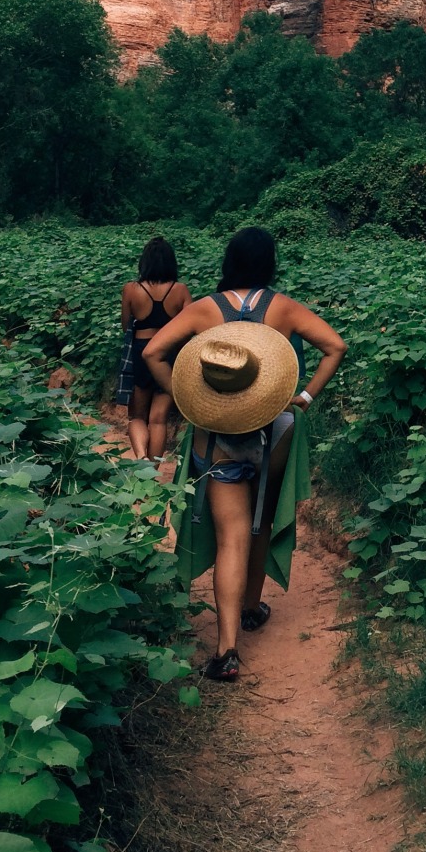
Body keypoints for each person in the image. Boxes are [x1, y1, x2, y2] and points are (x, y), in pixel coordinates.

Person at [142, 226, 346, 681]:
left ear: (228, 262)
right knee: (261, 523)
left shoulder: (204, 310)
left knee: (232, 536)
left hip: (217, 438)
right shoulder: (284, 307)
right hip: (276, 433)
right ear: (269, 263)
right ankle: (252, 607)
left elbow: (154, 351)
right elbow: (336, 346)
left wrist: (183, 396)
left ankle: (227, 648)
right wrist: (306, 396)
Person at [121, 238, 191, 461]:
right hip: (169, 354)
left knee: (137, 416)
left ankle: (141, 456)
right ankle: (152, 470)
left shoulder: (131, 289)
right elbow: (190, 325)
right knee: (158, 418)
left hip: (142, 351)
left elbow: (125, 324)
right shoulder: (180, 290)